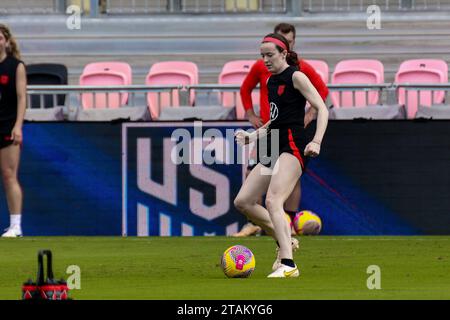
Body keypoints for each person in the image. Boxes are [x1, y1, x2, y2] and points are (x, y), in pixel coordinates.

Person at [234, 33, 329, 277]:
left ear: (284, 54)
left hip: (293, 145)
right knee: (243, 201)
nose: (265, 60)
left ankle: (288, 264)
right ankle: (285, 239)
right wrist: (251, 137)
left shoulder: (297, 76)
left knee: (273, 200)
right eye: (262, 55)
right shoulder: (270, 82)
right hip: (273, 144)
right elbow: (275, 121)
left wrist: (316, 140)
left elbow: (322, 108)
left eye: (270, 55)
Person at [0, 24, 26, 237]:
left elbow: (21, 98)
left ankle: (16, 225)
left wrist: (18, 125)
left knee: (9, 175)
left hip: (7, 126)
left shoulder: (16, 66)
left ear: (6, 41)